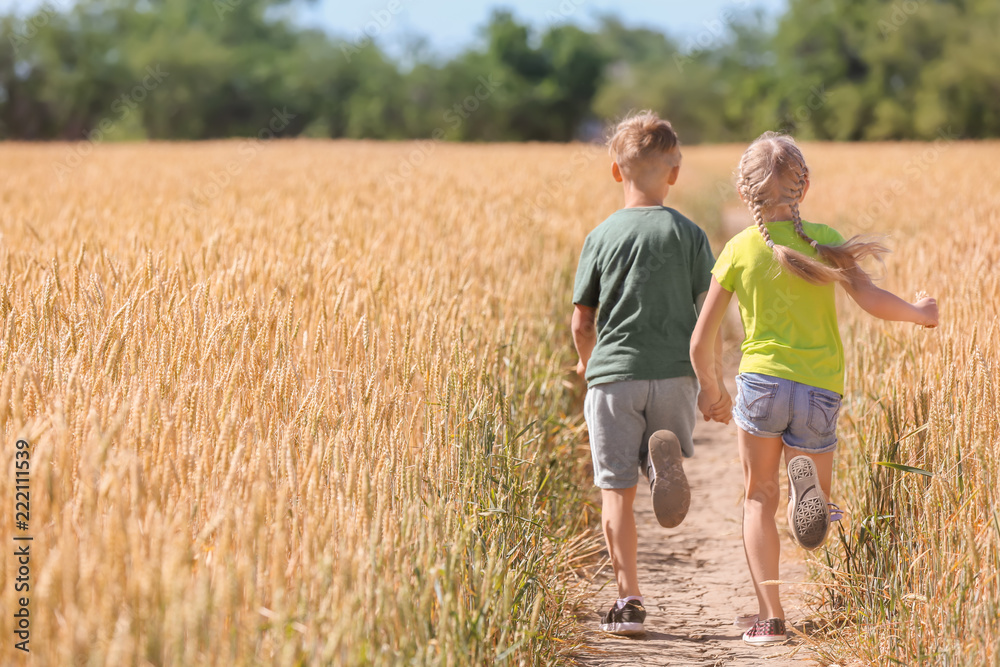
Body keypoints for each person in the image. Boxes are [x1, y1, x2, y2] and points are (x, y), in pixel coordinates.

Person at [689, 132, 939, 646]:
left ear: (745, 194)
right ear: (804, 188)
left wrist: (711, 391)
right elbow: (871, 299)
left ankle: (770, 618)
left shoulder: (739, 249)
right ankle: (817, 502)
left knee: (758, 497)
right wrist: (920, 313)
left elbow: (702, 338)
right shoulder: (824, 239)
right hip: (819, 390)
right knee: (815, 499)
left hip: (760, 385)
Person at [572, 110, 729, 636]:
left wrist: (587, 363)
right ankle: (661, 463)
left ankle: (630, 601)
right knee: (651, 459)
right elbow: (708, 320)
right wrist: (711, 387)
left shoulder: (600, 237)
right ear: (675, 172)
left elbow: (582, 321)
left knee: (615, 493)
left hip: (615, 376)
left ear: (616, 171)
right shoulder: (688, 235)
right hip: (675, 377)